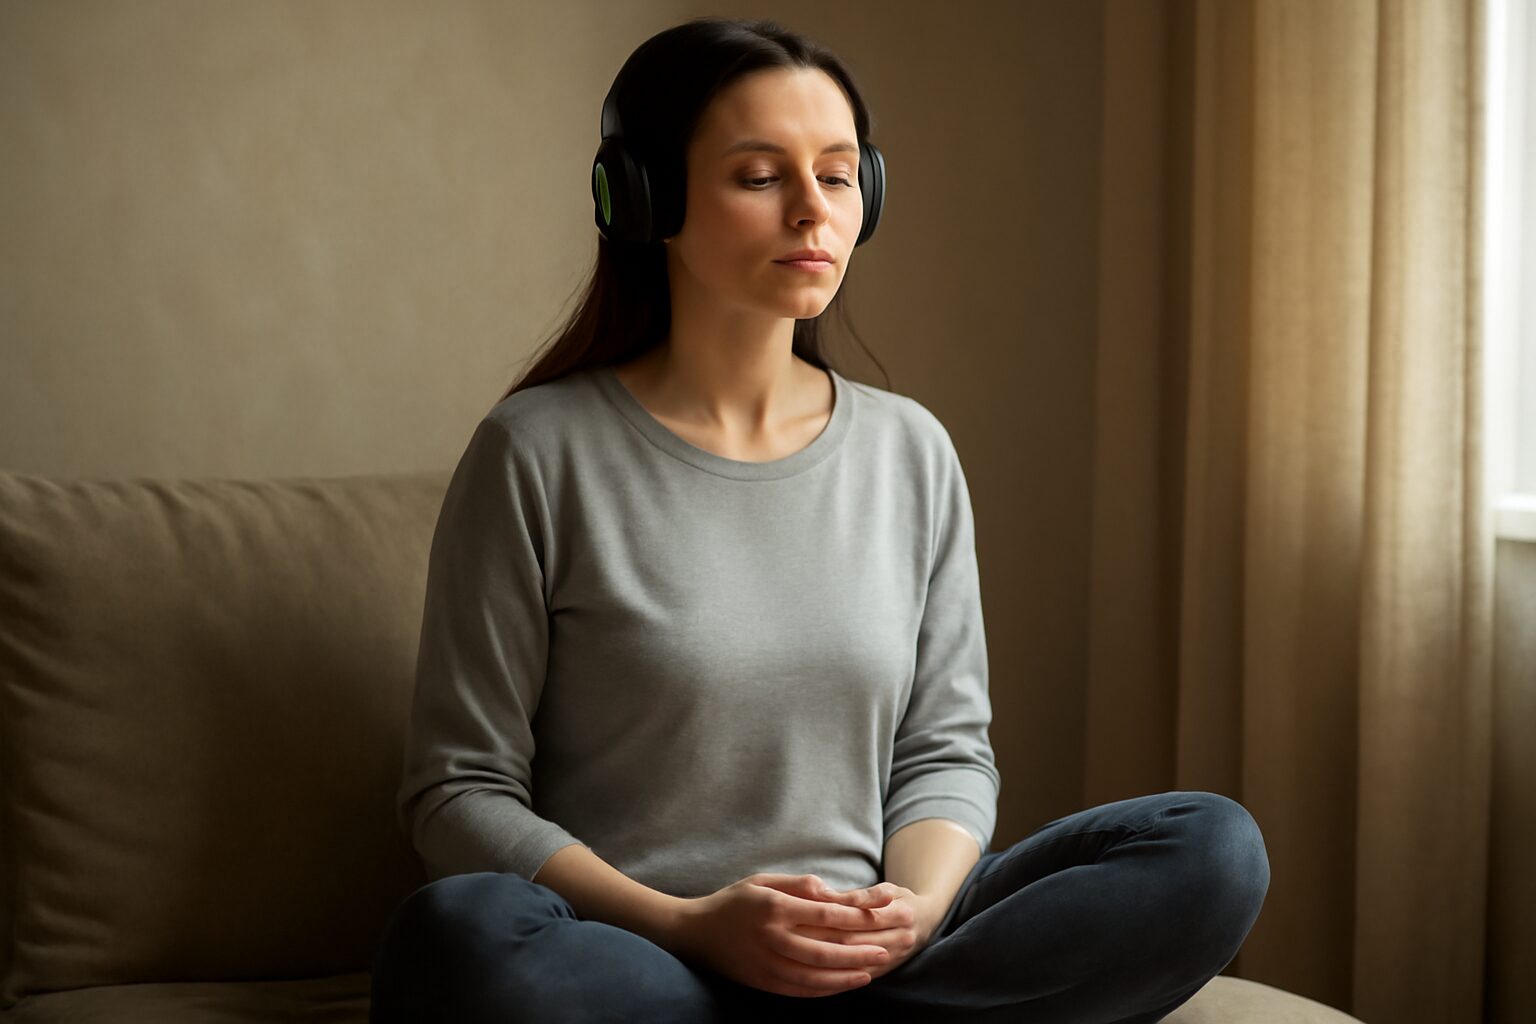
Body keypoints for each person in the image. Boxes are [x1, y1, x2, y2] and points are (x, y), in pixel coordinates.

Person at [368, 16, 1270, 1024]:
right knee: (459, 933)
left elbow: (945, 753)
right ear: (645, 198)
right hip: (642, 959)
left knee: (1210, 845)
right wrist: (687, 924)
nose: (812, 210)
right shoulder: (535, 452)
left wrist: (913, 915)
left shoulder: (909, 450)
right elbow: (459, 794)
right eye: (760, 176)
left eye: (838, 176)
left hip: (880, 960)